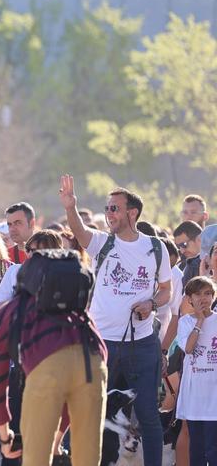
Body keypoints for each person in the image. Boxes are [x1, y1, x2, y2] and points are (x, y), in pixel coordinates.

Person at [60, 175, 171, 464]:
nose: (108, 214)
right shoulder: (102, 243)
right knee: (89, 409)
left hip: (143, 344)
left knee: (148, 414)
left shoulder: (156, 248)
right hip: (102, 343)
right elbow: (81, 232)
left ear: (132, 213)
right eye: (107, 208)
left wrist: (151, 303)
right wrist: (71, 207)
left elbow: (166, 292)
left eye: (114, 209)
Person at [0, 230, 108, 466]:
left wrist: (4, 437)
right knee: (88, 459)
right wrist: (57, 438)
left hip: (47, 367)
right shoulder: (76, 310)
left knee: (35, 459)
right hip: (93, 360)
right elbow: (96, 353)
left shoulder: (8, 313)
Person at [176, 276, 217, 465]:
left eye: (207, 293)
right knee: (197, 451)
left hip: (214, 398)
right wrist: (199, 321)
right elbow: (189, 348)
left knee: (213, 450)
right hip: (194, 398)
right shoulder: (185, 322)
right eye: (198, 294)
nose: (203, 298)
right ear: (189, 298)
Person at [175, 221, 204, 288]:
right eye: (178, 246)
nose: (182, 251)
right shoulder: (179, 266)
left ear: (199, 240)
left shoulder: (212, 265)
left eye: (184, 245)